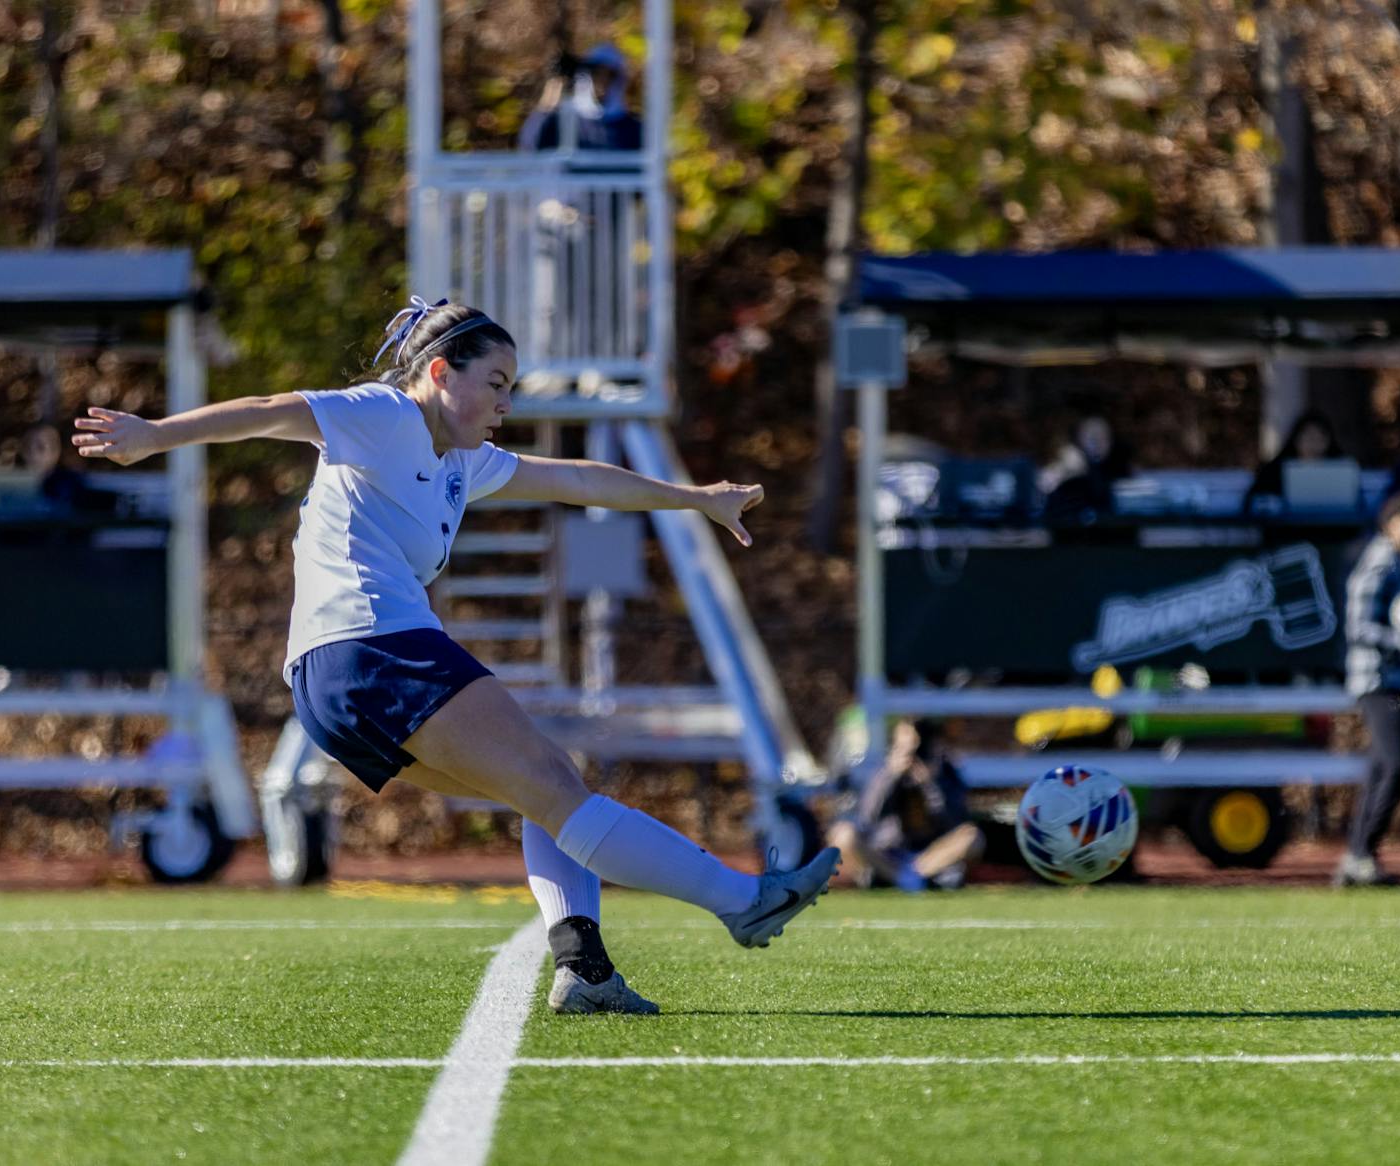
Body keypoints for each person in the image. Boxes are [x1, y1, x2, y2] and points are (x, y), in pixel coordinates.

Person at [74, 295, 840, 1015]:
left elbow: (574, 479)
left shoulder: (457, 463)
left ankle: (586, 970)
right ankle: (745, 901)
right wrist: (153, 436)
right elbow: (272, 413)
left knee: (544, 792)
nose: (508, 402)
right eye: (497, 383)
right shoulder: (386, 414)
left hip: (331, 681)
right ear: (440, 373)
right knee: (555, 790)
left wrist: (694, 497)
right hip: (376, 649)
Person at [1336, 490, 1400, 887]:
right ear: (1388, 527)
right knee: (1395, 763)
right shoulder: (1379, 565)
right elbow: (1357, 628)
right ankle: (1360, 853)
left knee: (1395, 766)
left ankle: (1358, 857)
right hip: (1380, 680)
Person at [826, 720, 984, 892]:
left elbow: (956, 821)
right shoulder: (881, 772)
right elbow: (867, 817)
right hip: (888, 854)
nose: (911, 756)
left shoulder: (946, 771)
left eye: (916, 749)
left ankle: (915, 875)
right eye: (903, 749)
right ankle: (900, 878)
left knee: (973, 837)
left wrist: (930, 785)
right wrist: (891, 776)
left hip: (928, 855)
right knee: (842, 834)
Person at [518, 44, 643, 153]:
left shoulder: (635, 130)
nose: (601, 82)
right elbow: (530, 145)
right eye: (595, 74)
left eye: (609, 76)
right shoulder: (562, 122)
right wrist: (555, 86)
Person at [1244, 410, 1342, 515]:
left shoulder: (1343, 470)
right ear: (1296, 440)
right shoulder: (1275, 469)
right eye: (1309, 438)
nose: (1314, 445)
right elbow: (1252, 501)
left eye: (1320, 439)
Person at [1039, 415, 1131, 522]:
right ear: (1079, 439)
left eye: (1105, 437)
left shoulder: (1119, 469)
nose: (1099, 443)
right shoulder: (1066, 468)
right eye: (1093, 437)